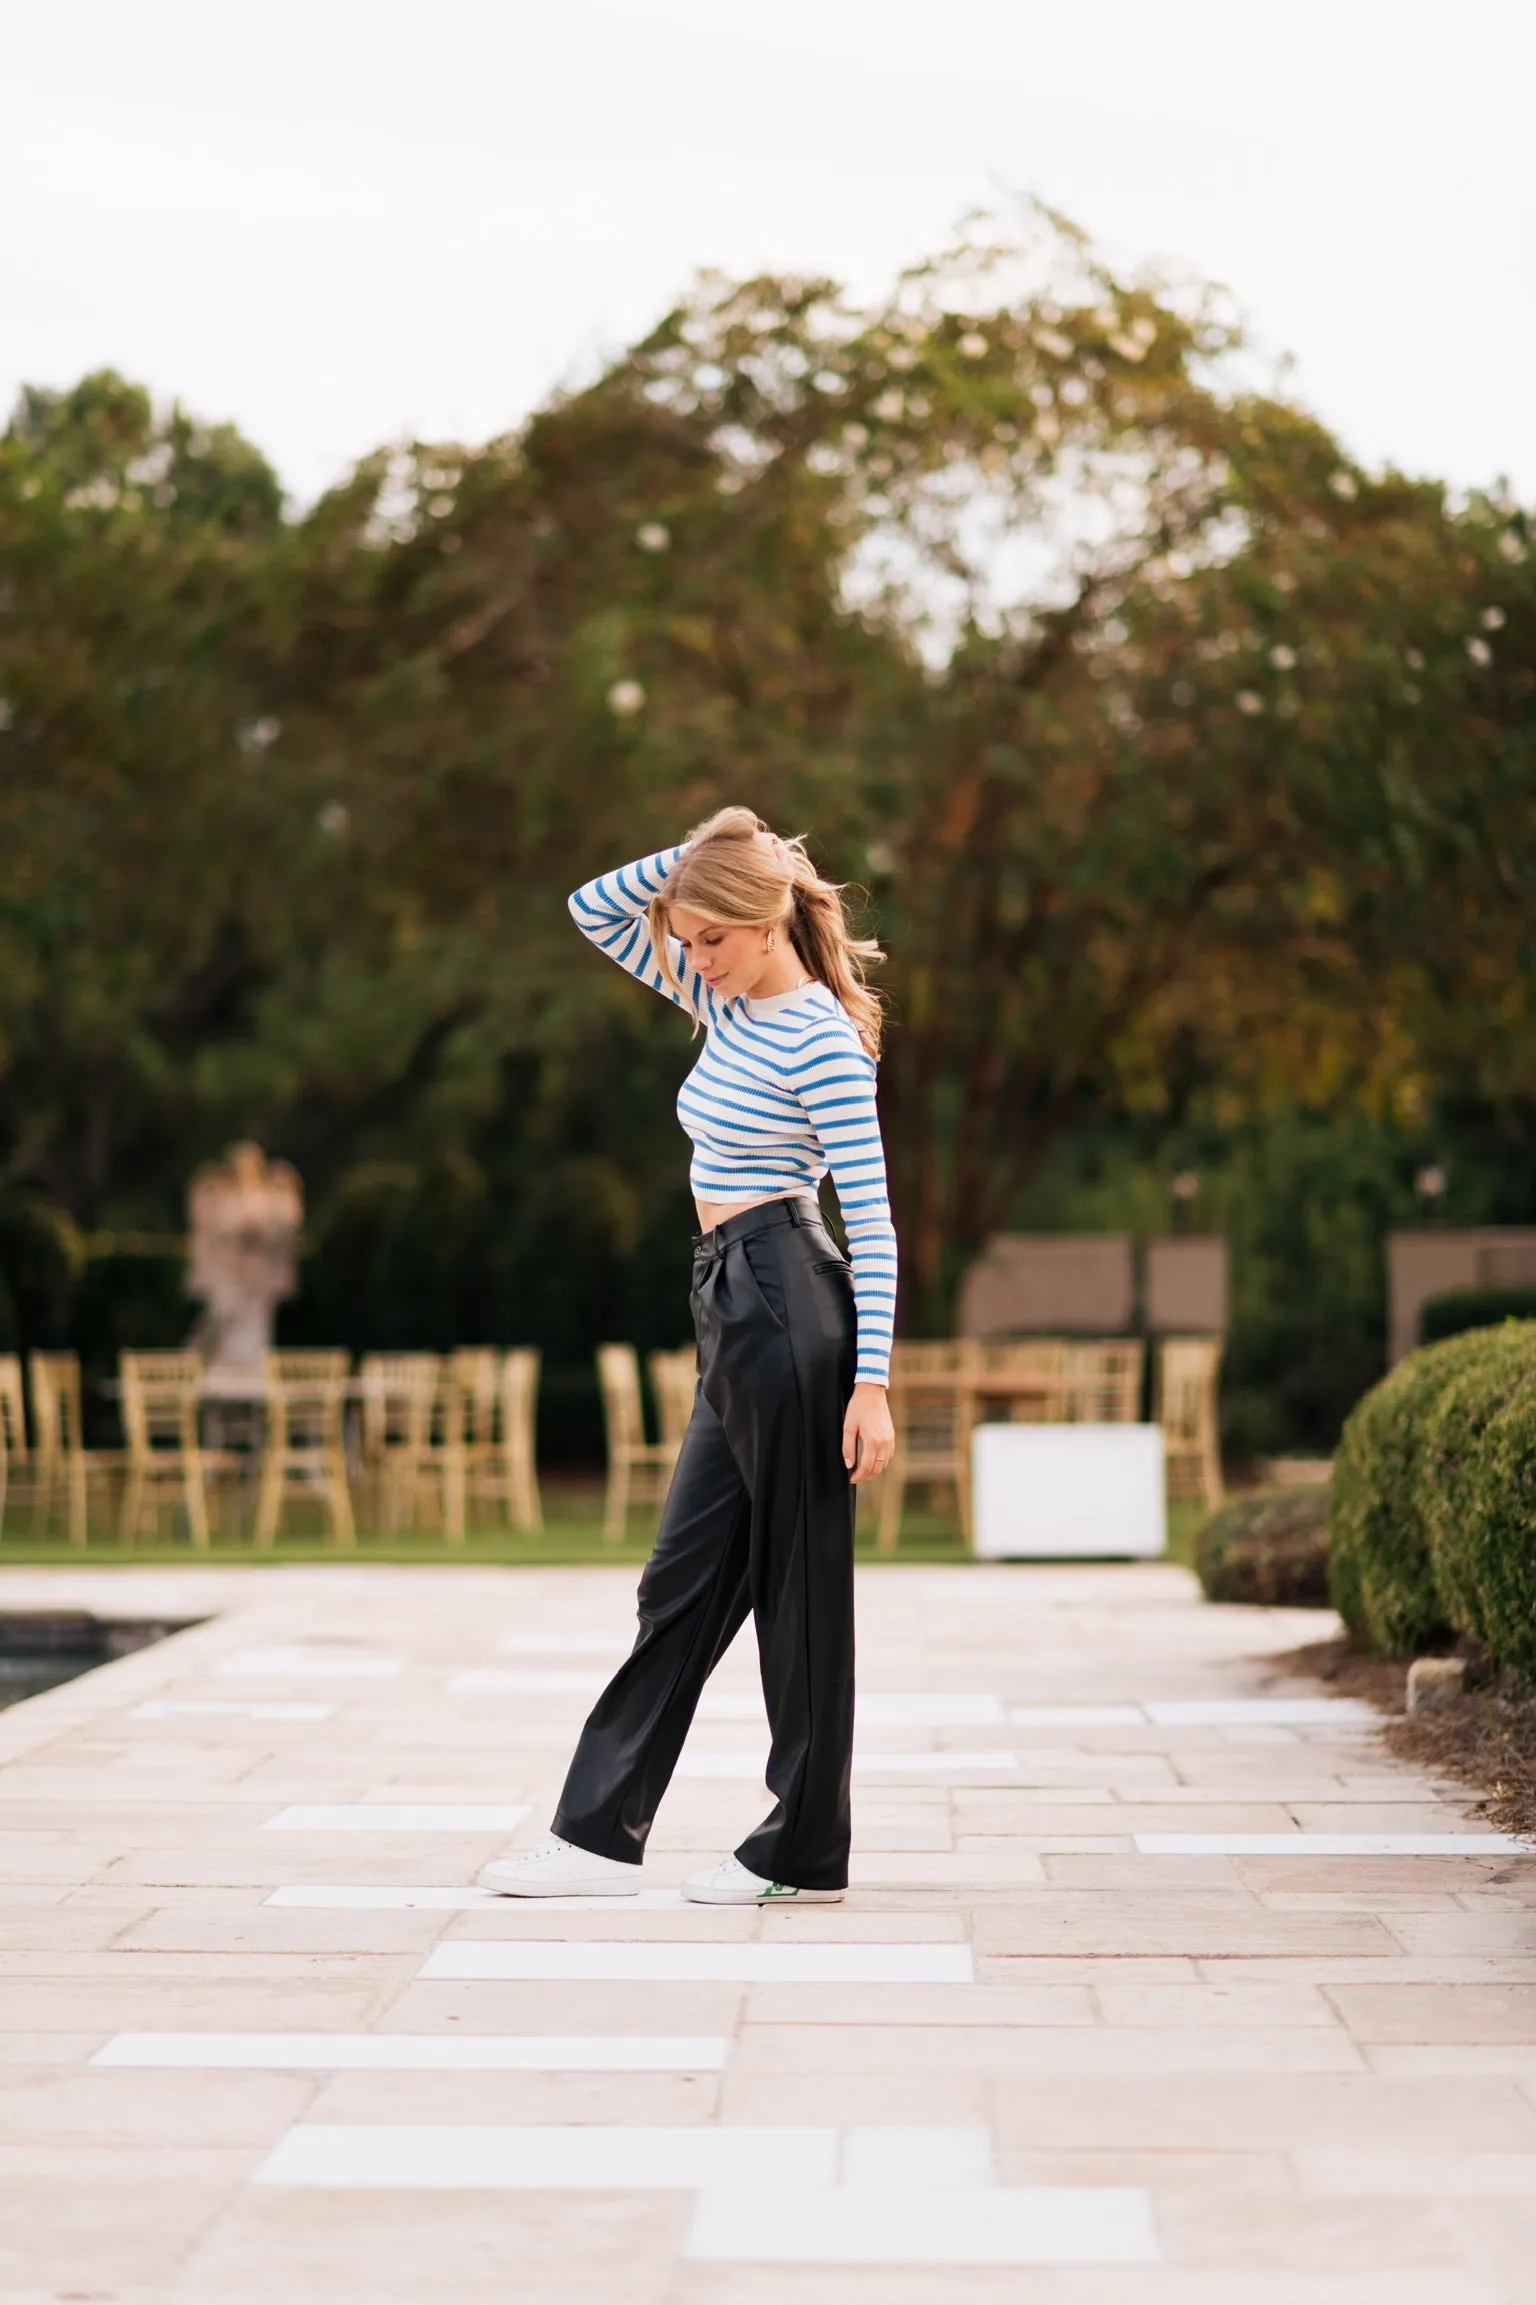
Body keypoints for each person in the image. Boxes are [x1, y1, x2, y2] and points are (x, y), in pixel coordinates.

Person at [479, 806, 898, 1905]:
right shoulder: (720, 999)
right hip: (730, 1296)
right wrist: (710, 840)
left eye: (711, 935)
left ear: (765, 929)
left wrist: (874, 1384)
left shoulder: (821, 1038)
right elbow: (590, 909)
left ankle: (803, 1848)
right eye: (688, 935)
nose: (690, 953)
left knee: (800, 1586)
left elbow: (878, 1219)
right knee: (683, 1579)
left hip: (790, 1301)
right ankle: (593, 1835)